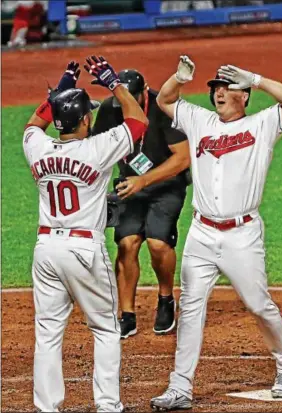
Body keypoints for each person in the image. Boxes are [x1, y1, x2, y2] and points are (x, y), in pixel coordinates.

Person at [150, 56, 282, 410]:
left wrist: (256, 78)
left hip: (242, 235)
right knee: (190, 307)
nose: (219, 93)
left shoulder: (263, 124)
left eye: (227, 88)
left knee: (258, 305)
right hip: (202, 233)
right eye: (216, 88)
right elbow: (165, 101)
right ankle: (180, 388)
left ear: (244, 95)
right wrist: (178, 77)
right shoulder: (200, 121)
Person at [23, 56, 148, 412]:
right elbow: (137, 120)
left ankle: (47, 407)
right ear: (85, 120)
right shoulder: (97, 149)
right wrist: (113, 83)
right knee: (106, 329)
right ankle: (108, 406)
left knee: (47, 333)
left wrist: (60, 91)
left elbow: (35, 122)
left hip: (46, 248)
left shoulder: (38, 148)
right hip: (83, 250)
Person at [92, 69, 191, 339]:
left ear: (144, 91)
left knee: (158, 244)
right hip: (129, 185)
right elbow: (96, 150)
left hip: (166, 183)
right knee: (127, 244)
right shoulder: (110, 110)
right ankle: (127, 314)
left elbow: (183, 158)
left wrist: (144, 180)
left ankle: (166, 298)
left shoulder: (162, 108)